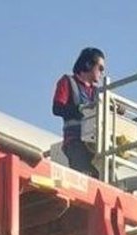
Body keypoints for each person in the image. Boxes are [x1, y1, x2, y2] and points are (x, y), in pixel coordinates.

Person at [52, 47, 106, 177]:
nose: (102, 73)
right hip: (75, 141)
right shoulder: (68, 81)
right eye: (100, 68)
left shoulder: (97, 92)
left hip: (95, 144)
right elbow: (57, 108)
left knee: (107, 176)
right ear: (88, 64)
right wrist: (80, 109)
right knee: (85, 174)